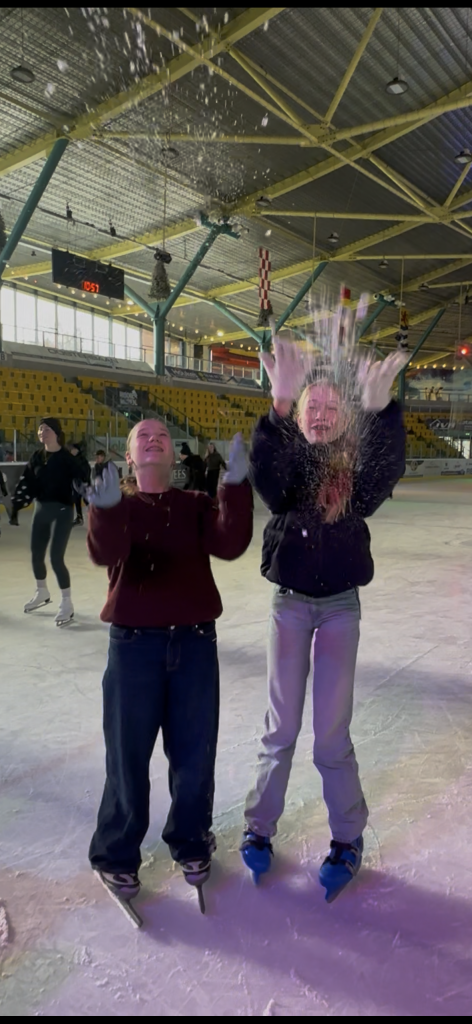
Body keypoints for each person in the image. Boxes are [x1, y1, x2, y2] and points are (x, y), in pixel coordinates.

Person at [241, 340, 406, 902]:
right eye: (313, 405)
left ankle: (347, 837)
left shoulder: (356, 468)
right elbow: (267, 481)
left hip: (338, 608)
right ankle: (258, 828)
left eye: (332, 407)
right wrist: (279, 406)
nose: (321, 414)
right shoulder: (288, 458)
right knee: (280, 729)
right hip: (289, 604)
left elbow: (386, 473)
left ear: (344, 418)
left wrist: (383, 411)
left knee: (330, 736)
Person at [86, 419, 253, 910]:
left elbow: (230, 543)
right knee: (127, 756)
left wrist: (234, 486)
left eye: (161, 435)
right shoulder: (120, 505)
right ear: (129, 456)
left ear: (175, 455)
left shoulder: (195, 504)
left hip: (195, 644)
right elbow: (105, 551)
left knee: (195, 754)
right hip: (134, 647)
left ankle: (192, 840)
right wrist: (106, 509)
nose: (154, 439)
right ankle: (116, 851)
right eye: (142, 436)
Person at [10, 417, 90, 626]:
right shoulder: (37, 457)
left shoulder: (66, 458)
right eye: (40, 429)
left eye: (46, 429)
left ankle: (66, 602)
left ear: (56, 433)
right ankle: (42, 591)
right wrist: (16, 505)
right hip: (41, 509)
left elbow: (83, 477)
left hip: (62, 511)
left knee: (56, 557)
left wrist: (80, 461)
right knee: (36, 554)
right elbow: (27, 482)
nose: (42, 432)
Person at [69, 442, 91, 525]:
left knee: (87, 500)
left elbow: (87, 470)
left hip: (83, 483)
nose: (71, 451)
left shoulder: (82, 459)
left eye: (73, 449)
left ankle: (95, 514)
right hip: (75, 483)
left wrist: (85, 480)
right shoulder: (72, 459)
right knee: (76, 500)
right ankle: (79, 518)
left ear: (77, 450)